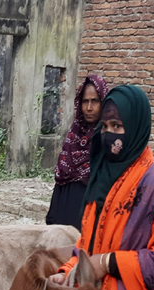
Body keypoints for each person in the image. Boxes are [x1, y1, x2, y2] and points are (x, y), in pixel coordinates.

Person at [44, 85, 154, 290]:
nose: (110, 136)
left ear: (136, 127)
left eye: (118, 127)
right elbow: (88, 241)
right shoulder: (102, 174)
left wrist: (107, 263)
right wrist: (69, 270)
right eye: (106, 127)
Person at [45, 75, 108, 230]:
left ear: (104, 102)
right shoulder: (73, 137)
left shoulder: (107, 140)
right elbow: (61, 177)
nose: (89, 108)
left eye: (95, 101)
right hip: (65, 212)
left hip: (92, 218)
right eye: (85, 101)